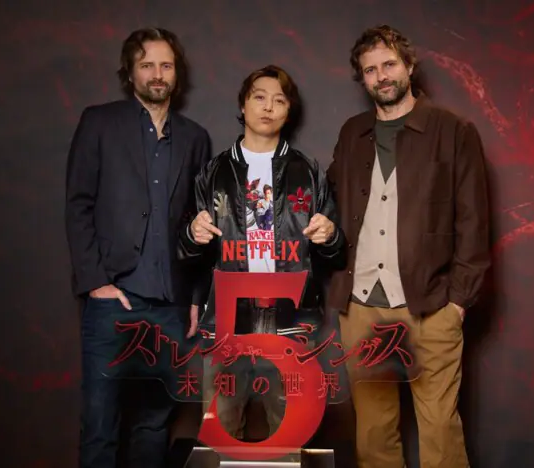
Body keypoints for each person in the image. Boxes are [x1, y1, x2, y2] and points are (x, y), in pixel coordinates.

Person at [326, 25, 491, 468]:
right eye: (370, 70)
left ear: (409, 65)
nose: (381, 76)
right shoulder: (352, 132)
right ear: (362, 78)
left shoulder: (453, 130)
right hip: (361, 306)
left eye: (389, 64)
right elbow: (330, 202)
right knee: (373, 432)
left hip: (431, 305)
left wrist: (458, 302)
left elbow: (474, 223)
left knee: (439, 432)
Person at [65, 27, 211, 468]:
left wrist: (195, 297)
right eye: (147, 65)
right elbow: (78, 204)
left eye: (166, 65)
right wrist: (96, 283)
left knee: (153, 427)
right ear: (130, 73)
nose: (157, 74)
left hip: (170, 307)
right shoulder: (99, 122)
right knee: (100, 427)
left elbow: (200, 223)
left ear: (177, 73)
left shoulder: (195, 138)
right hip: (113, 302)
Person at [177, 65, 346, 439]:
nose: (268, 107)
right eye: (259, 97)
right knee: (221, 435)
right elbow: (189, 254)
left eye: (279, 100)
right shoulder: (214, 172)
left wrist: (331, 235)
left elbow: (335, 256)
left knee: (290, 436)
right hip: (226, 321)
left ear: (289, 110)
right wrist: (192, 235)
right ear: (243, 104)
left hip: (289, 321)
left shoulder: (308, 172)